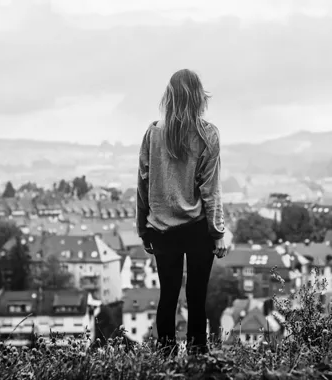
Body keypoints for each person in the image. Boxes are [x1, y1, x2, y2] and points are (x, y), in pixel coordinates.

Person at [136, 69, 229, 357]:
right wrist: (218, 232)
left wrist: (143, 229)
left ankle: (165, 357)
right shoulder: (208, 134)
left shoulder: (153, 134)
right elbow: (210, 189)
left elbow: (142, 183)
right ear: (200, 97)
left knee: (168, 296)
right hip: (198, 228)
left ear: (169, 97)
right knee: (197, 297)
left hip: (162, 229)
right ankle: (197, 355)